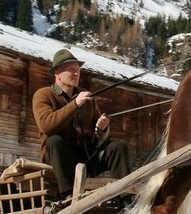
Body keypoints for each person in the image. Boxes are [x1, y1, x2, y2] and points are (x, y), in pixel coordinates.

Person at [32, 49, 133, 202]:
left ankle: (126, 198)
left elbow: (100, 134)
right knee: (54, 140)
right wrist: (75, 104)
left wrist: (102, 129)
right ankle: (67, 196)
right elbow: (47, 126)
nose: (76, 74)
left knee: (119, 147)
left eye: (77, 70)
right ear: (57, 73)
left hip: (86, 158)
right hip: (60, 159)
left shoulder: (86, 96)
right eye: (71, 70)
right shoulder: (44, 94)